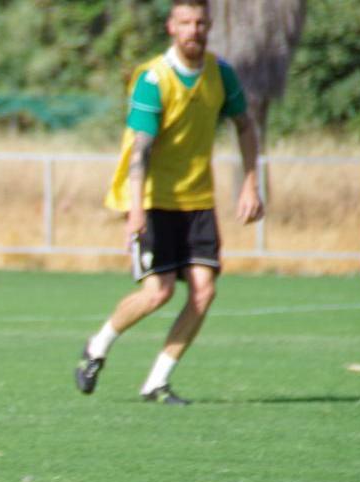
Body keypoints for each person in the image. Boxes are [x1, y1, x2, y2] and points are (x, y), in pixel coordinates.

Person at [75, 0, 264, 404]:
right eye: (185, 22)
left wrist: (250, 184)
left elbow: (245, 127)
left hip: (197, 201)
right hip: (153, 200)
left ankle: (156, 382)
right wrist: (137, 209)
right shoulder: (154, 79)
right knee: (157, 293)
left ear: (209, 26)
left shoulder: (220, 74)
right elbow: (141, 150)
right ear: (170, 27)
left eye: (200, 22)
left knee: (203, 291)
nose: (193, 29)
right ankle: (96, 347)